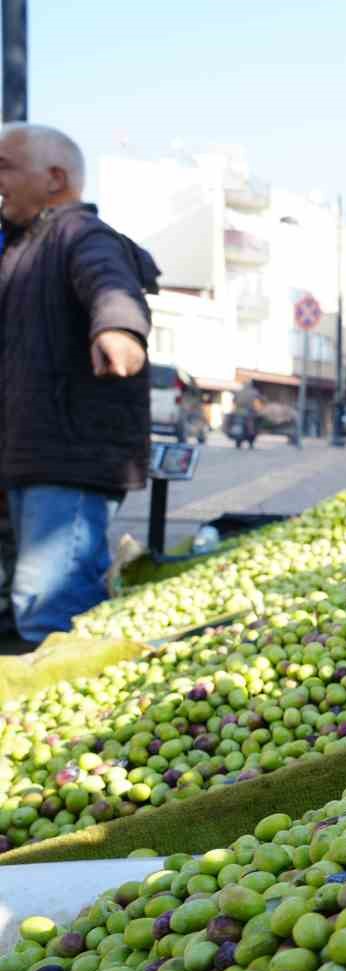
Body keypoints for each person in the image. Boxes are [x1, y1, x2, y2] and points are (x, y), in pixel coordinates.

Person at [0, 123, 160, 644]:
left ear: (54, 179)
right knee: (46, 601)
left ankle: (77, 721)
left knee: (51, 608)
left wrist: (118, 325)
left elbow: (108, 279)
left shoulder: (78, 232)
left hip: (67, 456)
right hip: (32, 457)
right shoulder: (22, 248)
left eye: (5, 166)